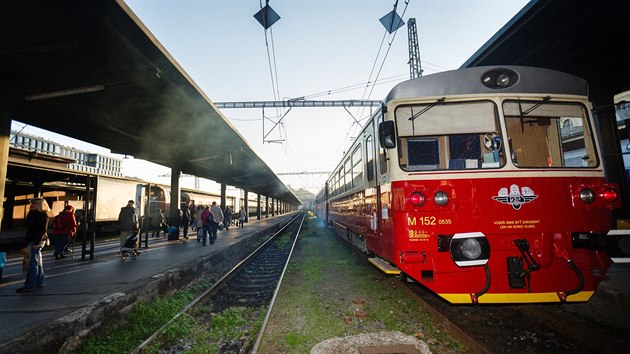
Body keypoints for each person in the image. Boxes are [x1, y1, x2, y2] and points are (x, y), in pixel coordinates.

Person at [16, 198, 51, 293]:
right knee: (37, 263)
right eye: (31, 203)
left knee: (32, 264)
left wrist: (36, 242)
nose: (31, 205)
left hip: (36, 241)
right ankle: (39, 282)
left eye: (34, 204)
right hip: (34, 240)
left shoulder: (42, 216)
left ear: (40, 205)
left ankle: (30, 285)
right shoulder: (32, 214)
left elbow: (42, 230)